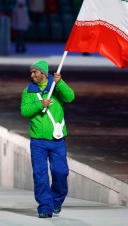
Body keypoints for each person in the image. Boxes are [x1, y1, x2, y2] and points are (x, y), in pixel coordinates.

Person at [20, 60, 75, 218]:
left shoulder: (55, 87)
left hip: (57, 141)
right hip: (38, 141)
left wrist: (61, 82)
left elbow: (70, 97)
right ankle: (45, 206)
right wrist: (40, 104)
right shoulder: (28, 91)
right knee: (40, 175)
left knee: (61, 172)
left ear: (43, 73)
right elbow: (25, 111)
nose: (32, 75)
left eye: (35, 72)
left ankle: (56, 200)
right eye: (31, 72)